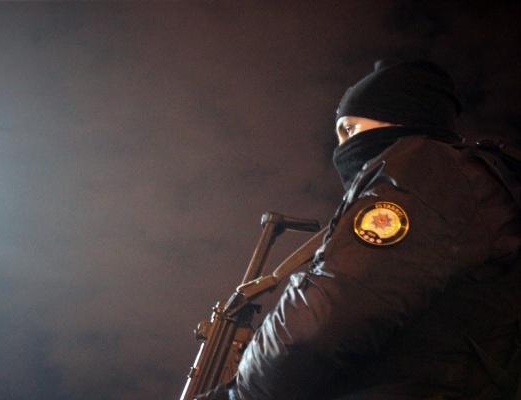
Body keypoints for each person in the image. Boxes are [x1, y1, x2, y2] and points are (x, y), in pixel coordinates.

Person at [196, 60, 521, 399]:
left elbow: (320, 322)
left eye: (350, 130)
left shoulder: (425, 168)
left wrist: (237, 395)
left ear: (402, 115)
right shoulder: (466, 183)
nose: (342, 147)